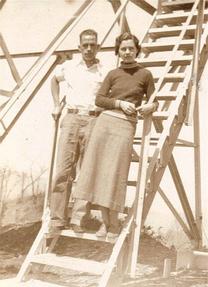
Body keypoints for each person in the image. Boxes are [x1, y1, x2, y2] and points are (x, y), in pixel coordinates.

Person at [72, 32, 158, 238]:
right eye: (123, 49)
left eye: (131, 48)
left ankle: (113, 223)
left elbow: (155, 101)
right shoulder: (112, 73)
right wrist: (119, 103)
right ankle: (105, 222)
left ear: (137, 50)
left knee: (116, 174)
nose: (127, 52)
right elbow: (99, 100)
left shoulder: (145, 74)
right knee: (100, 171)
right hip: (105, 122)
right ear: (118, 52)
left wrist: (149, 107)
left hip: (126, 126)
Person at [49, 29, 107, 233]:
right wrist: (57, 105)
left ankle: (78, 218)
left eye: (93, 44)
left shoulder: (105, 69)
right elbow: (54, 81)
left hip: (93, 119)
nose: (89, 49)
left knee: (86, 171)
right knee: (64, 170)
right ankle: (57, 218)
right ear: (79, 47)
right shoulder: (69, 66)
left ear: (98, 46)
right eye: (85, 45)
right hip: (72, 118)